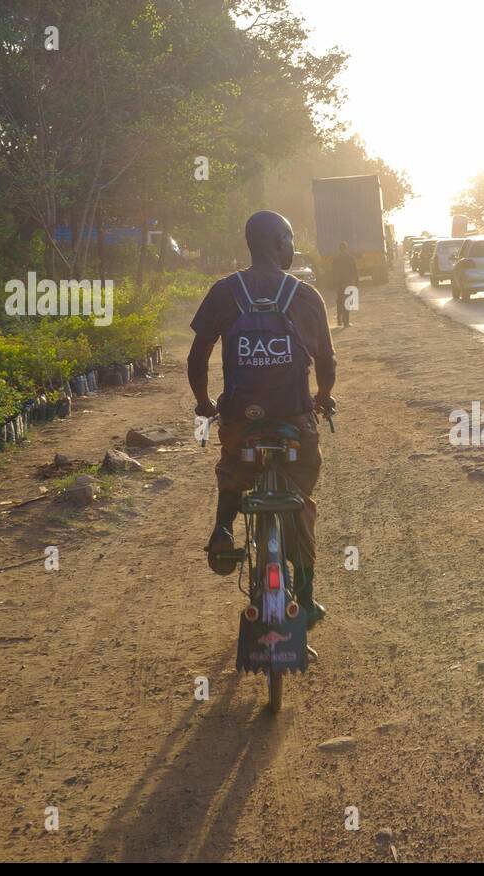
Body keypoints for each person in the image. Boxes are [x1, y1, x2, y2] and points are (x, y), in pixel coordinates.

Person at [187, 211, 336, 626]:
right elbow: (327, 361)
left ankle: (222, 530)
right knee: (301, 498)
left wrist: (204, 404)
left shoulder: (224, 291)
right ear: (279, 242)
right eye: (290, 241)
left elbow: (197, 358)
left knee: (233, 469)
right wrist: (323, 396)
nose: (292, 249)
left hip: (241, 420)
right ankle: (303, 600)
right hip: (295, 423)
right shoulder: (305, 296)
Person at [332, 240, 359, 329]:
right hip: (348, 282)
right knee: (347, 302)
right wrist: (357, 283)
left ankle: (339, 321)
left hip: (339, 283)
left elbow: (333, 272)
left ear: (339, 249)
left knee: (339, 302)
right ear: (346, 248)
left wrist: (334, 283)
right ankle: (346, 322)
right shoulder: (351, 258)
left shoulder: (336, 259)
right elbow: (355, 271)